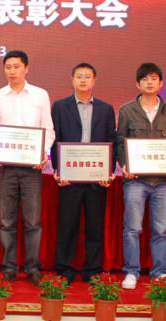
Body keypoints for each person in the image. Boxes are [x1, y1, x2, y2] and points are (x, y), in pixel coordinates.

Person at [0, 50, 55, 285]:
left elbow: (48, 129)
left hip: (31, 168)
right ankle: (9, 267)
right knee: (6, 221)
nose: (12, 71)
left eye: (16, 67)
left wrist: (43, 152)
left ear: (26, 68)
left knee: (32, 221)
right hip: (4, 167)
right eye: (8, 67)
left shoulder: (40, 95)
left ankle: (33, 267)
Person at [116, 63, 166, 289]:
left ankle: (160, 272)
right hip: (135, 181)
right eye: (144, 79)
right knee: (132, 228)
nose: (149, 82)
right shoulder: (126, 110)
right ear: (138, 84)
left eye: (154, 78)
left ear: (161, 83)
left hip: (163, 182)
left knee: (161, 229)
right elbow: (120, 141)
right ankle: (131, 272)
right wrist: (124, 164)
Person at [51, 63, 116, 284]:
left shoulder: (106, 109)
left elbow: (111, 140)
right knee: (67, 225)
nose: (83, 80)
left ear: (94, 81)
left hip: (97, 177)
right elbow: (56, 140)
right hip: (69, 177)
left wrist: (108, 172)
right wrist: (58, 170)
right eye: (79, 76)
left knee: (95, 226)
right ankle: (64, 268)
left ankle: (93, 270)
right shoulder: (60, 107)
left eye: (87, 76)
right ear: (72, 79)